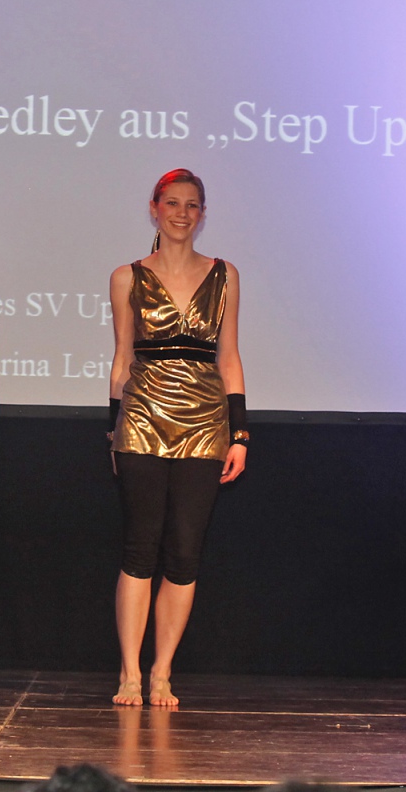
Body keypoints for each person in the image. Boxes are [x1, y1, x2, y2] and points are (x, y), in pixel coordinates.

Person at [107, 169, 248, 708]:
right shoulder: (127, 277)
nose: (182, 213)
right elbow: (122, 358)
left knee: (185, 551)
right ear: (154, 208)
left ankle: (161, 671)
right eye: (172, 203)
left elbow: (229, 356)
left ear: (202, 213)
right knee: (140, 548)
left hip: (205, 424)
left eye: (192, 205)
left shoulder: (225, 275)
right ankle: (130, 673)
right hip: (142, 417)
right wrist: (113, 427)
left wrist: (240, 433)